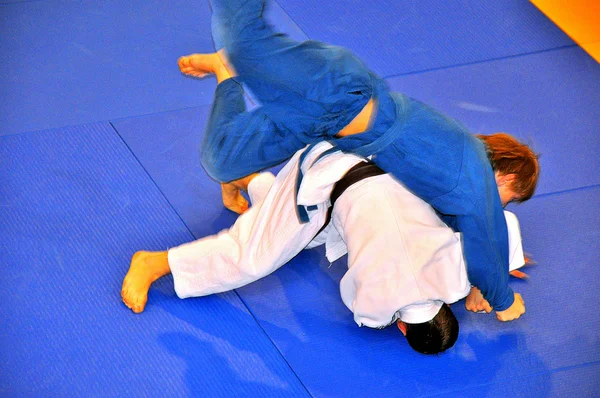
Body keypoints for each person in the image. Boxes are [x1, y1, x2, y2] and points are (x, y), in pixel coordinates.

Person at [177, 0, 539, 320]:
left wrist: (497, 270)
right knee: (243, 41)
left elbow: (476, 230)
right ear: (507, 180)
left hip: (321, 127)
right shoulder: (474, 179)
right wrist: (504, 301)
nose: (502, 205)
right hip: (338, 93)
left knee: (222, 160)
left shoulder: (457, 168)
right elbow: (485, 232)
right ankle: (235, 58)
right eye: (509, 199)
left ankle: (225, 71)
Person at [122, 141, 529, 354]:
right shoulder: (384, 302)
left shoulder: (458, 276)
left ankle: (250, 180)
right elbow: (362, 308)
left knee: (300, 239)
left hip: (364, 174)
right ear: (403, 327)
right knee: (255, 257)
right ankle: (156, 263)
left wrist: (485, 281)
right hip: (330, 176)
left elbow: (503, 224)